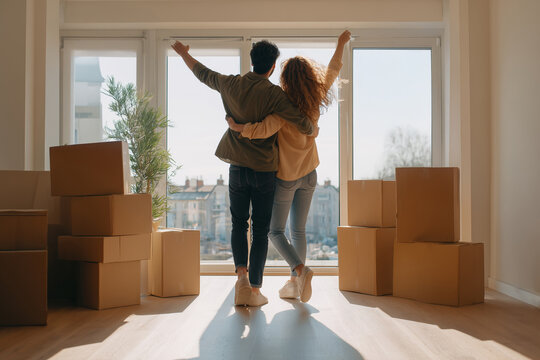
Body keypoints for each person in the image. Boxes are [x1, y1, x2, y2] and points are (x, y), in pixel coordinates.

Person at [171, 40, 314, 307]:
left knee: (239, 224)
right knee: (260, 231)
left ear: (252, 61)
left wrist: (183, 53)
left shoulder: (230, 84)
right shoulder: (275, 95)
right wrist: (311, 127)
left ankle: (241, 282)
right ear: (272, 67)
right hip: (264, 171)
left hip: (236, 168)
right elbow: (304, 124)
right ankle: (255, 291)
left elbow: (202, 73)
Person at [227, 30, 351, 303]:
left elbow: (261, 130)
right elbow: (332, 69)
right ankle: (295, 285)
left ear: (283, 78)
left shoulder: (282, 106)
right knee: (299, 231)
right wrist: (340, 43)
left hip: (286, 178)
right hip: (310, 175)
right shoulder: (314, 100)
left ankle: (300, 271)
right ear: (308, 78)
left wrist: (237, 127)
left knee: (274, 231)